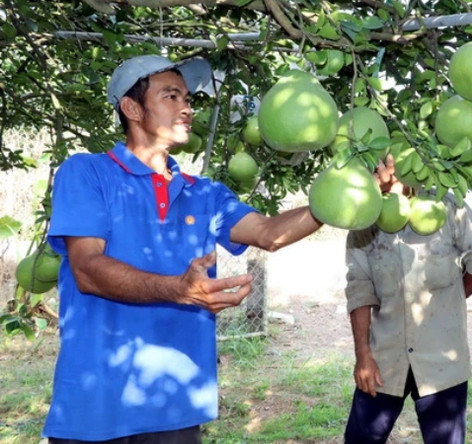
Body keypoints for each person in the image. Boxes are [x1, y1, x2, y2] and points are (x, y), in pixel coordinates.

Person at [42, 54, 326, 443]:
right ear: (131, 108)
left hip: (175, 405)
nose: (187, 108)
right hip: (95, 407)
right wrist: (178, 289)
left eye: (188, 98)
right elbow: (87, 270)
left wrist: (345, 197)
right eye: (171, 96)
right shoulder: (86, 172)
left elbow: (268, 233)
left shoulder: (203, 193)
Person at [342, 168, 472, 444]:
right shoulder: (365, 218)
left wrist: (451, 301)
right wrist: (363, 355)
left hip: (442, 358)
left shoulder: (446, 207)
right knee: (360, 439)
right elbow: (359, 288)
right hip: (385, 357)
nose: (384, 170)